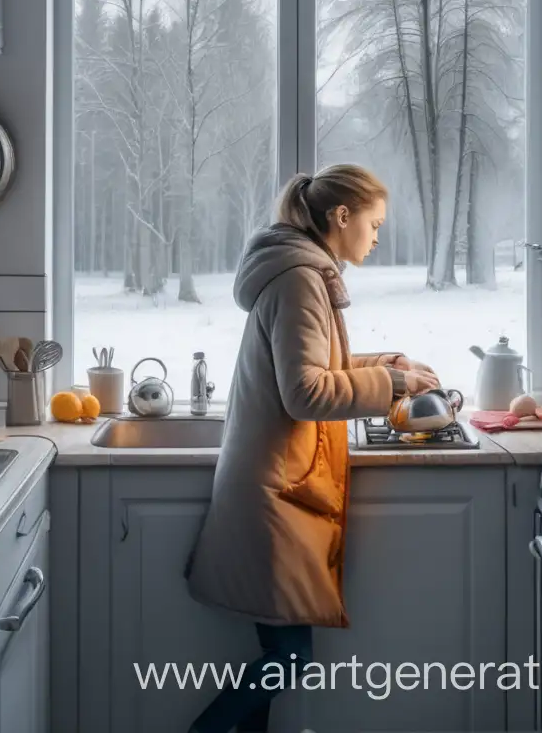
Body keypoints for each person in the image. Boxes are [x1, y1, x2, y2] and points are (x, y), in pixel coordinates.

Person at [184, 165, 440, 733]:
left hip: (272, 484)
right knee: (290, 657)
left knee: (281, 653)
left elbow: (316, 368)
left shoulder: (299, 270)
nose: (377, 237)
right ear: (341, 217)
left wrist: (389, 366)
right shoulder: (301, 279)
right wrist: (393, 386)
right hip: (271, 494)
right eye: (373, 224)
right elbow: (305, 393)